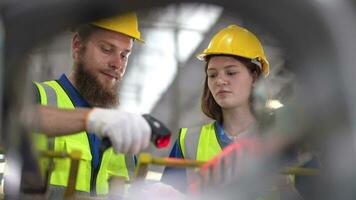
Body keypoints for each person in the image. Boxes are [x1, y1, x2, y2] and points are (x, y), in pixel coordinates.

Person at [32, 12, 152, 196]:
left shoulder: (123, 130)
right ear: (78, 46)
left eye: (124, 55)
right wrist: (91, 119)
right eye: (106, 49)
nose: (117, 64)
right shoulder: (39, 96)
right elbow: (17, 116)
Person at [161, 24, 270, 192]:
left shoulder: (285, 140)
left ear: (254, 76)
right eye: (212, 75)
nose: (219, 81)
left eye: (231, 73)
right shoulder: (188, 142)